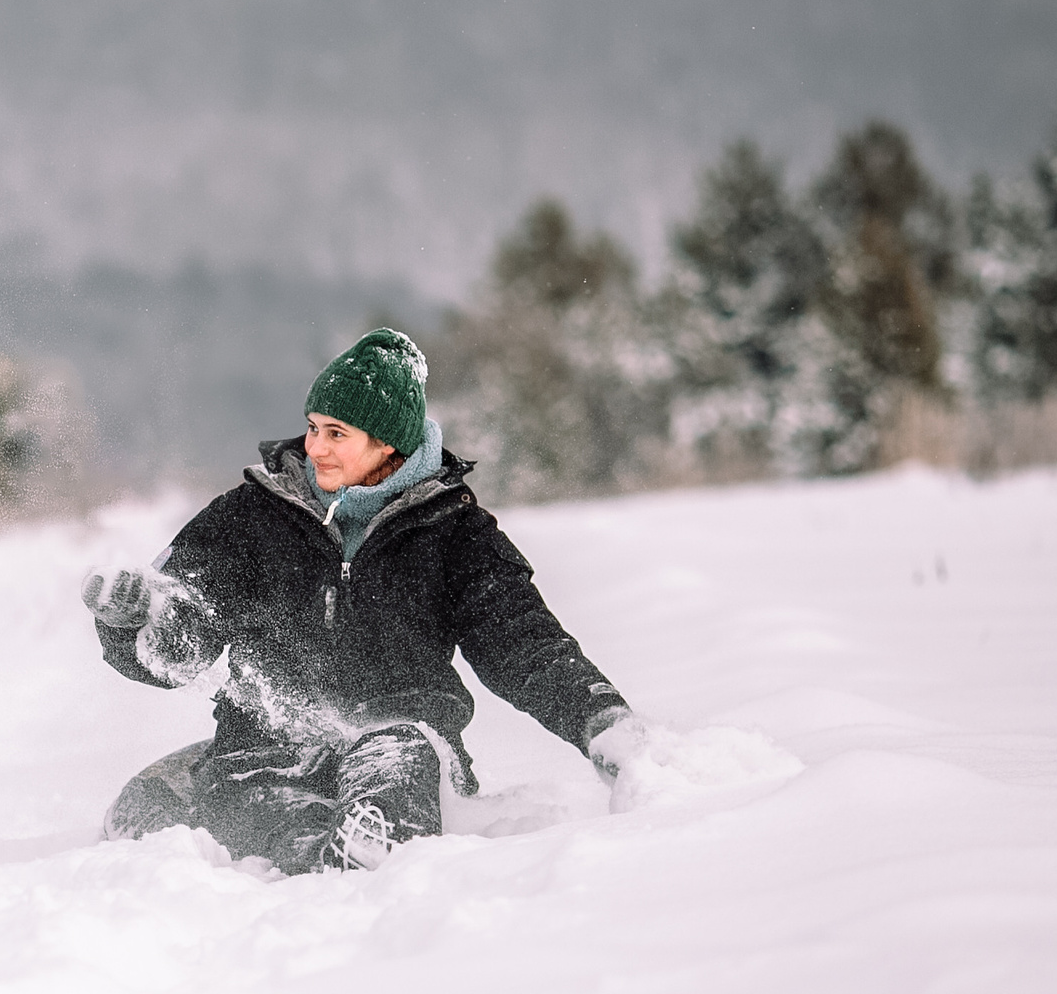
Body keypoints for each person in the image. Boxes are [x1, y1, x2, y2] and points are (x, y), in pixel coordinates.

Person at [82, 328, 646, 873]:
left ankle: (368, 851)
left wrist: (598, 717)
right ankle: (315, 865)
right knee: (260, 810)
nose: (314, 448)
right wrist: (135, 622)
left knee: (398, 761)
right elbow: (184, 646)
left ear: (388, 445)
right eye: (313, 428)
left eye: (337, 434)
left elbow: (524, 644)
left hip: (406, 748)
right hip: (266, 755)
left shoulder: (453, 530)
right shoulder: (248, 518)